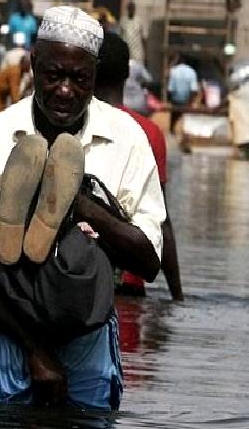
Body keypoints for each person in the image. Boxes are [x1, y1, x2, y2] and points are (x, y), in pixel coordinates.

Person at [0, 6, 166, 410]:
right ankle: (30, 222)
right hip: (14, 334)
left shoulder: (127, 139)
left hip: (88, 333)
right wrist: (35, 351)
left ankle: (67, 204)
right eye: (54, 75)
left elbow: (148, 262)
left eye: (79, 78)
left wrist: (82, 207)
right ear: (33, 64)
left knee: (83, 242)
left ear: (95, 75)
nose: (65, 89)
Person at [94, 32, 183, 301]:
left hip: (77, 280)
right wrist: (177, 295)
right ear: (126, 75)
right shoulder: (149, 132)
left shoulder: (73, 123)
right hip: (129, 287)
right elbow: (161, 221)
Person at [167, 54, 200, 133]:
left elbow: (170, 89)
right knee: (187, 118)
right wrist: (191, 101)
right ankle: (186, 133)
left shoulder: (174, 71)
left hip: (176, 100)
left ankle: (172, 130)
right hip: (187, 99)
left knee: (174, 116)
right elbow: (194, 89)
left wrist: (170, 100)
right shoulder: (192, 72)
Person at [119, 0, 146, 64]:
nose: (131, 9)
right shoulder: (123, 20)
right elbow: (120, 38)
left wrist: (146, 55)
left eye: (132, 8)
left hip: (137, 55)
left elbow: (143, 38)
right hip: (126, 54)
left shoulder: (139, 20)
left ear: (134, 9)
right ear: (127, 9)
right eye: (130, 8)